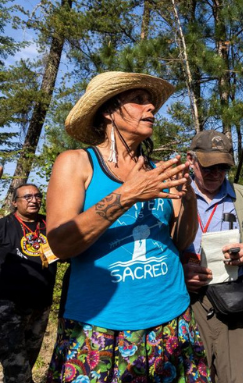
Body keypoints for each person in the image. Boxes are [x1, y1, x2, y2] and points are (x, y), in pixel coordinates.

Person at [45, 71, 209, 382]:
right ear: (108, 111)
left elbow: (180, 240)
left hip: (170, 316)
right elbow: (59, 243)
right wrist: (128, 193)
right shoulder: (77, 163)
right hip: (101, 323)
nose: (151, 109)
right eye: (138, 101)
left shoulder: (156, 172)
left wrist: (189, 201)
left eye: (151, 103)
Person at [182, 129, 243, 383]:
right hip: (185, 303)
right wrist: (179, 271)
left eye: (222, 168)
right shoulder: (174, 196)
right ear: (191, 160)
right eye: (208, 167)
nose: (215, 174)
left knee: (241, 377)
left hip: (236, 304)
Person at [0, 184, 56, 383]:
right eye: (27, 196)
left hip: (41, 305)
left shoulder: (51, 224)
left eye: (37, 195)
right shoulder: (4, 226)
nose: (33, 200)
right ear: (15, 202)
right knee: (18, 371)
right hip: (8, 308)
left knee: (27, 363)